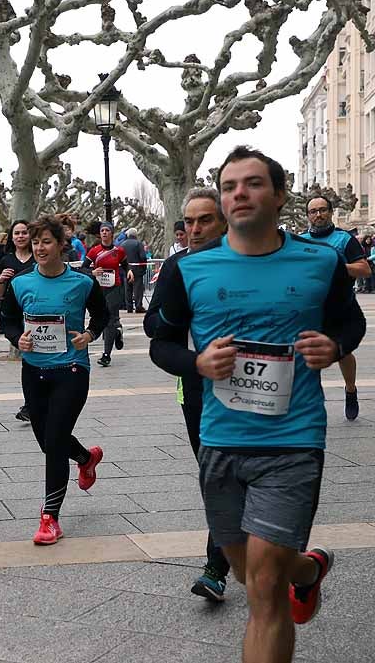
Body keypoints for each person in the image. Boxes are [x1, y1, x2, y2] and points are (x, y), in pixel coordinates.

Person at [149, 146, 366, 662]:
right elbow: (162, 342)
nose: (239, 194)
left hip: (293, 441)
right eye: (229, 186)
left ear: (280, 194)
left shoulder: (321, 261)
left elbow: (350, 321)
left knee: (264, 590)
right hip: (219, 440)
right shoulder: (190, 269)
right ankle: (309, 570)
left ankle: (294, 574)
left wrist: (335, 346)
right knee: (250, 572)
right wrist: (196, 364)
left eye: (252, 184)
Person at [144, 186, 231, 602]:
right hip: (199, 387)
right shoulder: (178, 267)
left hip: (267, 387)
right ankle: (219, 562)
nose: (194, 230)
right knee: (214, 474)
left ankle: (236, 555)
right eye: (189, 222)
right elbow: (155, 331)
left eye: (205, 220)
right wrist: (179, 314)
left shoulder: (256, 261)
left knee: (262, 473)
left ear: (226, 219)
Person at [2, 215, 108, 545]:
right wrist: (17, 338)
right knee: (49, 442)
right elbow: (7, 320)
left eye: (46, 241)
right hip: (34, 372)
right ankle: (86, 458)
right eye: (35, 242)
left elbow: (103, 315)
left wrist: (89, 335)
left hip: (72, 370)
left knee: (55, 440)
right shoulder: (20, 283)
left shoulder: (82, 281)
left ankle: (50, 518)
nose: (39, 248)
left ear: (61, 244)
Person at [303, 195, 371, 421]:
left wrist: (337, 266)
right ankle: (310, 401)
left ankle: (350, 390)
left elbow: (364, 270)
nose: (318, 214)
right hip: (309, 308)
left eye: (323, 210)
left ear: (331, 212)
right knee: (307, 355)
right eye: (313, 211)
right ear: (308, 215)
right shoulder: (300, 240)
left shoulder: (345, 239)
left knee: (343, 352)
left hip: (340, 306)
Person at [0, 220, 36, 422]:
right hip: (14, 316)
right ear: (11, 237)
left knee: (34, 358)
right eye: (17, 233)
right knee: (27, 357)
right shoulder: (6, 260)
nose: (21, 236)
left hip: (38, 313)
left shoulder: (39, 256)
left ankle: (32, 403)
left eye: (24, 232)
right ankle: (32, 403)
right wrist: (1, 280)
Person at [82, 223, 133, 367]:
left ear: (112, 233)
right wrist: (92, 272)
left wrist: (129, 271)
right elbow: (83, 267)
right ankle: (117, 332)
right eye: (102, 230)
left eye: (107, 230)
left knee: (109, 319)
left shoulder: (119, 251)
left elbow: (125, 264)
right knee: (101, 318)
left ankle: (106, 355)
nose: (104, 233)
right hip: (99, 289)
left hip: (114, 288)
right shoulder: (94, 251)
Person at [120, 228, 148, 313]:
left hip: (126, 269)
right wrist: (144, 267)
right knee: (137, 289)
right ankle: (138, 306)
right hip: (137, 269)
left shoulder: (122, 244)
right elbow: (143, 257)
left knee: (128, 289)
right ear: (136, 235)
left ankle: (129, 307)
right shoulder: (138, 244)